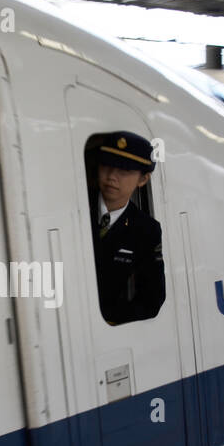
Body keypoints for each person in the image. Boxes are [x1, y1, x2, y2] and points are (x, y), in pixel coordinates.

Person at [88, 131, 165, 324]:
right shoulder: (76, 208)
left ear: (143, 180)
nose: (112, 177)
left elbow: (152, 299)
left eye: (124, 171)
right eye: (107, 166)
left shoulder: (146, 230)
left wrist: (109, 320)